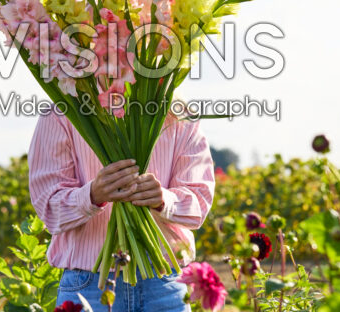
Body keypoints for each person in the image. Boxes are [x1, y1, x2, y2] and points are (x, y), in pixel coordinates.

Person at [28, 108, 215, 312]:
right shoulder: (61, 111)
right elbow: (48, 208)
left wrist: (164, 200)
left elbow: (200, 203)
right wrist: (91, 195)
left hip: (164, 286)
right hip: (89, 285)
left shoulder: (177, 115)